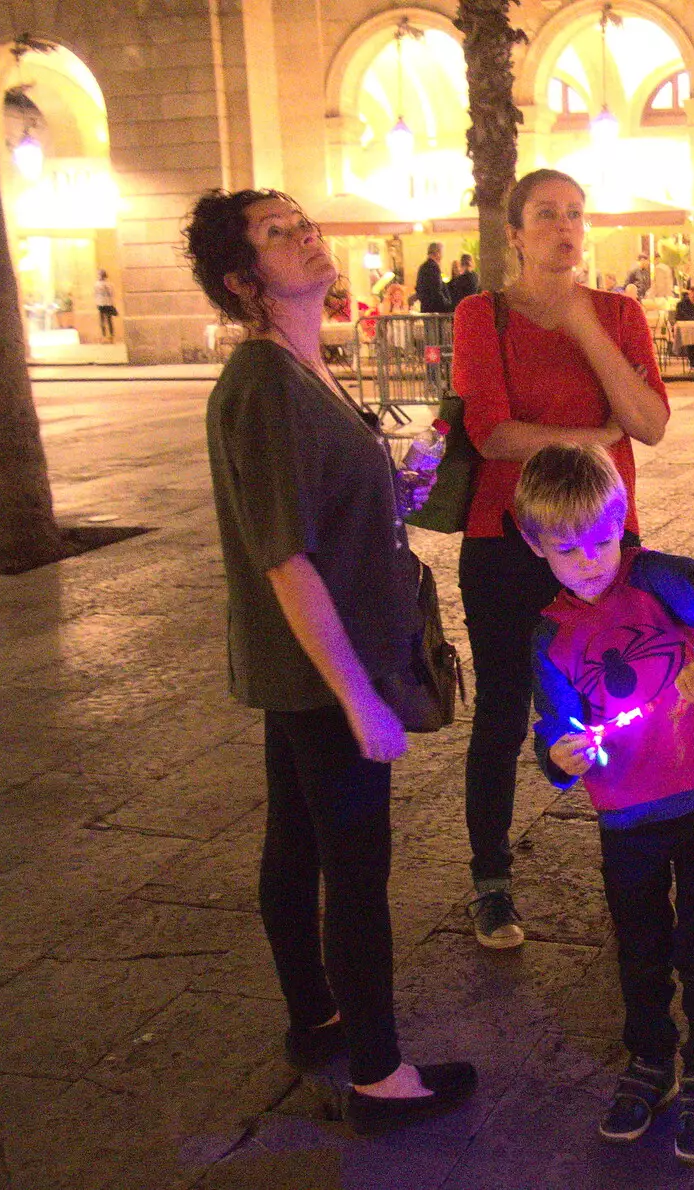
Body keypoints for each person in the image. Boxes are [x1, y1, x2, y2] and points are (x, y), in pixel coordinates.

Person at [185, 188, 476, 1134]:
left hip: (302, 665)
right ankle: (381, 1077)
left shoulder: (299, 369)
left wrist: (395, 481)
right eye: (277, 234)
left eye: (301, 221)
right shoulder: (265, 383)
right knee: (355, 867)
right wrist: (361, 700)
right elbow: (284, 555)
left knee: (298, 842)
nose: (305, 235)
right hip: (324, 664)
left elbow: (316, 507)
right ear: (242, 281)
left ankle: (317, 1017)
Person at [521, 444, 694, 1164]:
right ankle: (650, 1059)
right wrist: (562, 757)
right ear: (536, 546)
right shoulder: (549, 635)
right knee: (638, 946)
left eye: (602, 538)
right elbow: (556, 733)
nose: (592, 559)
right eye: (568, 549)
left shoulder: (658, 578)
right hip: (625, 817)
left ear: (623, 519)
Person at [450, 168, 670, 948]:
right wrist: (591, 438)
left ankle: (640, 873)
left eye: (575, 213)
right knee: (506, 712)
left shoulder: (617, 313)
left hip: (606, 543)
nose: (563, 227)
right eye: (545, 215)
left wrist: (586, 329)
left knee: (623, 703)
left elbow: (647, 422)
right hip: (506, 541)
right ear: (514, 233)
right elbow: (492, 434)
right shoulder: (484, 315)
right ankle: (491, 880)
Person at [414, 243, 452, 314]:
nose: (442, 256)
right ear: (437, 253)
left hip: (425, 308)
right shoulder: (434, 267)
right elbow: (437, 290)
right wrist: (447, 305)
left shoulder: (422, 267)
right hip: (435, 310)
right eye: (441, 253)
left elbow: (418, 288)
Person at [94, 268, 117, 343]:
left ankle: (106, 337)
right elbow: (111, 294)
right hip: (107, 303)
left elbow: (96, 294)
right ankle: (109, 337)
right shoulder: (109, 284)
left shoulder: (97, 284)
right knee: (108, 320)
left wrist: (96, 303)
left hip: (102, 303)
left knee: (104, 320)